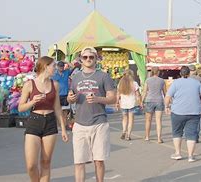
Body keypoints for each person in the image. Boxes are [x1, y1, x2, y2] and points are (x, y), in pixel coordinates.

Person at [67, 47, 117, 182]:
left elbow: (113, 98)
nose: (88, 59)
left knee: (99, 161)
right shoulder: (75, 77)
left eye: (91, 57)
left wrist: (98, 99)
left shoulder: (104, 76)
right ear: (81, 60)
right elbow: (70, 96)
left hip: (99, 122)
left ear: (96, 59)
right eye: (85, 57)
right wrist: (70, 98)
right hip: (80, 123)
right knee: (79, 162)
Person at [18, 56, 68, 182]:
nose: (55, 69)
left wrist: (63, 128)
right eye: (53, 66)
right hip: (34, 121)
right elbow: (21, 108)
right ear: (45, 66)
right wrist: (33, 101)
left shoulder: (54, 84)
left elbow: (57, 107)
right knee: (31, 165)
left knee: (46, 162)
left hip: (50, 122)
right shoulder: (29, 84)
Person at [165, 66, 201, 162]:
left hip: (177, 111)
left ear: (180, 73)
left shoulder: (176, 83)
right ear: (189, 73)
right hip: (194, 112)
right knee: (191, 134)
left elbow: (168, 96)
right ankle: (190, 156)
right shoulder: (196, 83)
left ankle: (178, 153)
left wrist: (166, 107)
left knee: (177, 132)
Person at [141, 66, 166, 143]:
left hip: (149, 101)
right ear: (158, 72)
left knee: (148, 120)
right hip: (159, 100)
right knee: (158, 120)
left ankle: (147, 136)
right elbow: (165, 92)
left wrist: (141, 101)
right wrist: (167, 103)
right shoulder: (162, 81)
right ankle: (159, 138)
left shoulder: (148, 80)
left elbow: (145, 91)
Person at [116, 69, 140, 141]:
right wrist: (140, 102)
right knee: (131, 119)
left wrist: (117, 102)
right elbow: (138, 94)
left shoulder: (120, 83)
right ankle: (128, 135)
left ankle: (124, 131)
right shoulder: (134, 83)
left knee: (124, 118)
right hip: (132, 103)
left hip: (123, 103)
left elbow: (118, 94)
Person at [51, 61, 72, 129]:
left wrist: (66, 62)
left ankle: (64, 125)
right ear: (57, 67)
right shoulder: (54, 74)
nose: (61, 68)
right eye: (60, 67)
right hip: (57, 95)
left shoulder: (66, 72)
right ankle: (58, 125)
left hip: (65, 94)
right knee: (58, 110)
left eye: (62, 66)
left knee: (65, 111)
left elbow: (73, 67)